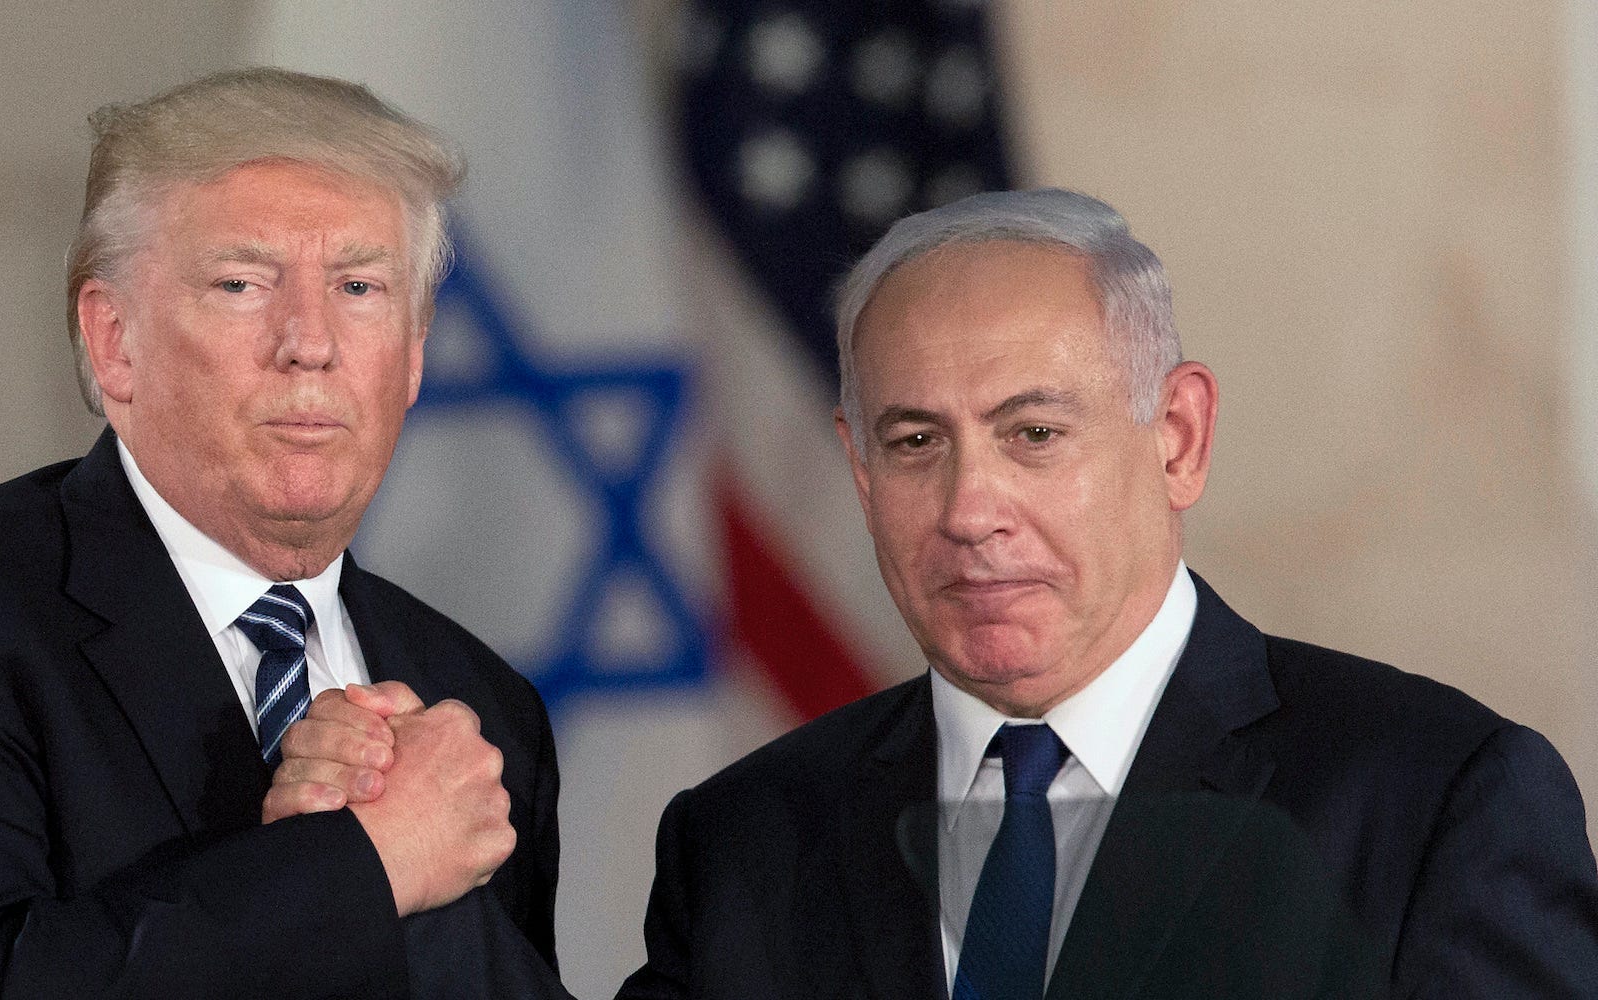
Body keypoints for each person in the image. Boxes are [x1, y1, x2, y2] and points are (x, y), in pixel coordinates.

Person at [280, 188, 1598, 998]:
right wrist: (396, 875)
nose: (970, 508)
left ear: (1178, 437)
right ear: (857, 468)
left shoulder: (1435, 802)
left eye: (1035, 433)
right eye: (917, 443)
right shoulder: (748, 838)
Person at [0, 67, 559, 1000]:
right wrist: (364, 863)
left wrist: (426, 893)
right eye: (242, 284)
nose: (310, 342)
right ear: (114, 341)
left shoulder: (478, 708)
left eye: (360, 287)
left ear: (412, 353)